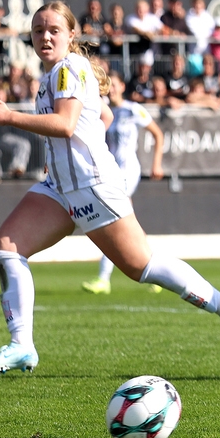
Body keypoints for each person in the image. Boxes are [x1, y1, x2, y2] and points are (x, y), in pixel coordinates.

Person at [0, 1, 220, 375]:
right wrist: (64, 154)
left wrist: (10, 117)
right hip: (60, 187)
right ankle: (21, 345)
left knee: (143, 267)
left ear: (71, 35)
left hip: (93, 186)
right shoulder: (53, 75)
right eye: (38, 29)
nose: (45, 36)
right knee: (8, 247)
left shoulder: (68, 68)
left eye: (54, 30)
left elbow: (64, 124)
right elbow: (102, 116)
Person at [82, 70, 166, 295]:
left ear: (122, 87)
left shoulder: (132, 109)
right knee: (128, 223)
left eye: (116, 85)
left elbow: (157, 134)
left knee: (115, 219)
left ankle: (103, 279)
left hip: (129, 172)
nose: (113, 89)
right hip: (112, 172)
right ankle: (159, 273)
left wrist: (156, 164)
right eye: (110, 86)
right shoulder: (105, 112)